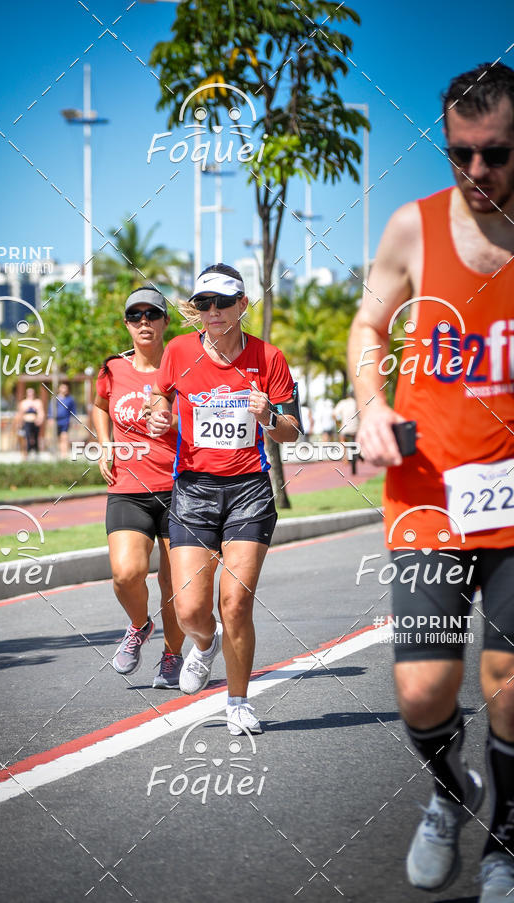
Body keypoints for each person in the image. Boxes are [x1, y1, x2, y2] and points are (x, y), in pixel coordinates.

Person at [348, 63, 514, 901]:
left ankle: (506, 843)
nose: (477, 172)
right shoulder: (412, 228)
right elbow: (369, 324)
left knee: (511, 686)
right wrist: (371, 403)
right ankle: (452, 791)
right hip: (427, 492)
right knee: (422, 689)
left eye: (496, 154)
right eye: (460, 155)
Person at [149, 263, 300, 734]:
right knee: (190, 609)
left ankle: (237, 701)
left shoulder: (268, 358)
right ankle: (205, 642)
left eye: (222, 302)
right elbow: (163, 400)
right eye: (203, 304)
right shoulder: (177, 352)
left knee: (235, 601)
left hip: (249, 491)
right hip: (193, 490)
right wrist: (160, 419)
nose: (212, 312)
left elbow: (292, 432)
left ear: (242, 305)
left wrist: (269, 414)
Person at [92, 287, 185, 689]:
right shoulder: (113, 369)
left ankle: (173, 655)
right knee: (125, 574)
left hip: (182, 488)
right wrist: (104, 444)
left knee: (175, 586)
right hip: (127, 488)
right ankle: (139, 625)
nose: (144, 321)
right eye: (135, 315)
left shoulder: (186, 368)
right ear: (127, 324)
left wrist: (172, 422)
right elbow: (98, 407)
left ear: (165, 322)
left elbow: (205, 417)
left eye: (152, 314)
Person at [333, 391, 360, 474]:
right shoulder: (359, 403)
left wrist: (338, 423)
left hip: (345, 428)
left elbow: (334, 414)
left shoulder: (343, 403)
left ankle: (345, 457)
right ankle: (359, 453)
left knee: (342, 439)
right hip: (356, 429)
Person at [17, 387, 44, 458]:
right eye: (29, 393)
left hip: (35, 423)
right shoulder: (23, 403)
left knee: (36, 438)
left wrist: (40, 419)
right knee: (27, 438)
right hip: (27, 423)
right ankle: (27, 453)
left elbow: (41, 413)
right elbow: (20, 414)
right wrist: (20, 423)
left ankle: (36, 453)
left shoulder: (38, 402)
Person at [53, 382, 77, 458]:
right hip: (56, 421)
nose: (64, 389)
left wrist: (74, 421)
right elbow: (51, 409)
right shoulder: (55, 399)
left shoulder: (70, 399)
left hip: (65, 420)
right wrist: (50, 418)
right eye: (62, 387)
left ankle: (64, 454)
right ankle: (58, 453)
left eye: (65, 388)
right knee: (57, 437)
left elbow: (73, 411)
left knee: (64, 436)